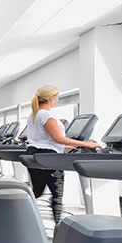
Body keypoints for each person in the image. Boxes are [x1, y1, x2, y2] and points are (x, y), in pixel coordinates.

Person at [25, 85, 100, 223]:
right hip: (48, 158)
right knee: (57, 194)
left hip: (35, 154)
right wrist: (87, 144)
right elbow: (57, 139)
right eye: (57, 97)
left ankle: (22, 216)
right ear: (52, 98)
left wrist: (70, 146)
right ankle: (58, 225)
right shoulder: (46, 114)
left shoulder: (34, 114)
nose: (58, 99)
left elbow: (44, 141)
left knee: (37, 191)